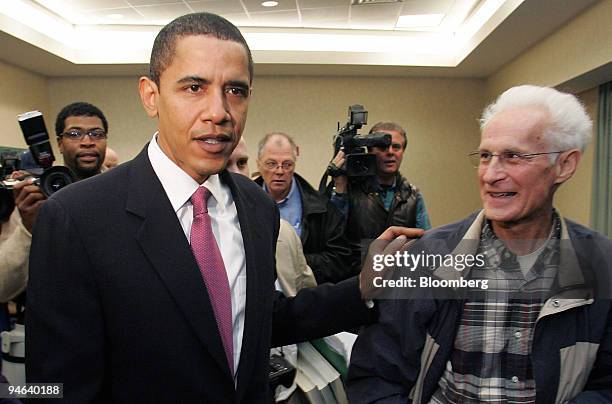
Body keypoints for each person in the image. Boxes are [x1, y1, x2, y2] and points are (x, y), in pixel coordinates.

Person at [25, 13, 400, 403]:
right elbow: (55, 388)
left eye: (235, 90)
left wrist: (361, 288)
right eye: (194, 87)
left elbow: (257, 322)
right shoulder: (77, 217)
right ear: (150, 95)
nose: (219, 111)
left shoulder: (257, 207)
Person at [347, 85, 612, 403]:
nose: (490, 175)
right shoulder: (425, 259)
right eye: (486, 156)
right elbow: (376, 380)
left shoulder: (601, 264)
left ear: (565, 165)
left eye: (513, 156)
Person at [255, 132, 353, 283]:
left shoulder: (321, 207)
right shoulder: (243, 202)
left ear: (295, 164)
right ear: (259, 164)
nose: (280, 171)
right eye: (271, 164)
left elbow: (339, 260)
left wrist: (295, 264)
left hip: (303, 294)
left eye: (287, 164)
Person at [329, 122, 431, 262]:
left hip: (398, 276)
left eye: (396, 147)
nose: (390, 152)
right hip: (355, 277)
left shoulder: (413, 196)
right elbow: (332, 237)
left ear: (403, 152)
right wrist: (339, 184)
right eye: (382, 146)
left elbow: (426, 244)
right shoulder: (350, 190)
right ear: (370, 150)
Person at [55, 101, 108, 180]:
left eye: (97, 134)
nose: (87, 143)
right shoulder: (49, 190)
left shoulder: (122, 187)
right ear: (60, 144)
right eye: (75, 134)